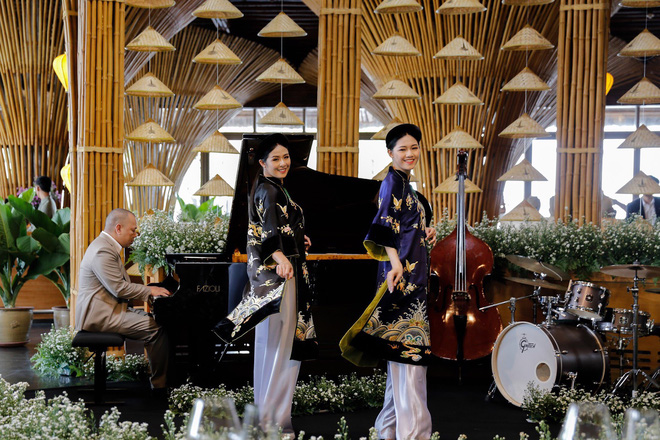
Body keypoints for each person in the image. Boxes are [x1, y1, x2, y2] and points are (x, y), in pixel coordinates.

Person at [213, 134, 317, 437]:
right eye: (276, 158)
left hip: (275, 274)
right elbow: (269, 231)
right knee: (281, 348)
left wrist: (299, 238)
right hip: (281, 276)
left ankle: (268, 417)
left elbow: (276, 227)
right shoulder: (269, 191)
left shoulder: (272, 189)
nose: (283, 163)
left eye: (286, 157)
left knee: (272, 346)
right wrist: (281, 256)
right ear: (262, 163)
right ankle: (275, 422)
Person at [341, 123, 435, 440]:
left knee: (402, 362)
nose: (409, 154)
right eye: (402, 149)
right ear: (390, 153)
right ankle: (415, 435)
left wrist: (425, 233)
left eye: (414, 148)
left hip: (413, 281)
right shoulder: (393, 183)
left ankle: (389, 431)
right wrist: (395, 263)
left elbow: (405, 229)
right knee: (411, 363)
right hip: (404, 283)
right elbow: (384, 226)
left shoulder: (405, 186)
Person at [75, 208, 171, 392]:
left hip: (108, 310)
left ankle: (160, 379)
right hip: (99, 316)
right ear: (118, 228)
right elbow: (118, 288)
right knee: (156, 329)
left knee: (154, 321)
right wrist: (151, 290)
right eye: (133, 230)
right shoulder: (103, 250)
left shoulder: (106, 246)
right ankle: (160, 386)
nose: (136, 234)